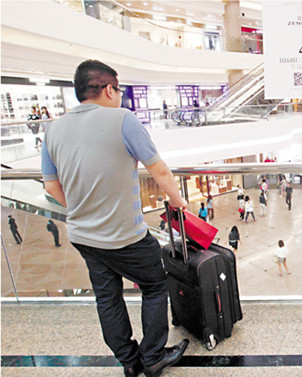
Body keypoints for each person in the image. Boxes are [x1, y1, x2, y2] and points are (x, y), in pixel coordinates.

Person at [41, 60, 188, 377]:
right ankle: (152, 357)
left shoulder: (53, 128)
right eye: (118, 90)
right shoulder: (123, 119)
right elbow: (158, 169)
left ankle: (129, 362)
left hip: (82, 235)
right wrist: (179, 201)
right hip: (125, 236)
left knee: (107, 298)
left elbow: (52, 186)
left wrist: (80, 205)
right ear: (109, 89)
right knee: (154, 285)